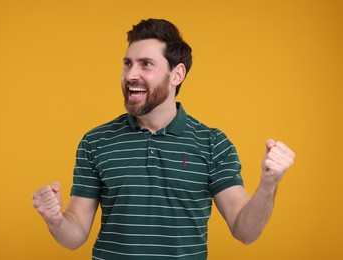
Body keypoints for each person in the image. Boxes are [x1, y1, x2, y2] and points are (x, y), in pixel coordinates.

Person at [32, 18, 295, 259]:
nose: (130, 75)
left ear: (176, 75)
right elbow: (75, 234)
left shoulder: (213, 143)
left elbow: (245, 231)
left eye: (145, 64)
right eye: (127, 63)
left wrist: (269, 184)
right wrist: (56, 220)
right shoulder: (96, 141)